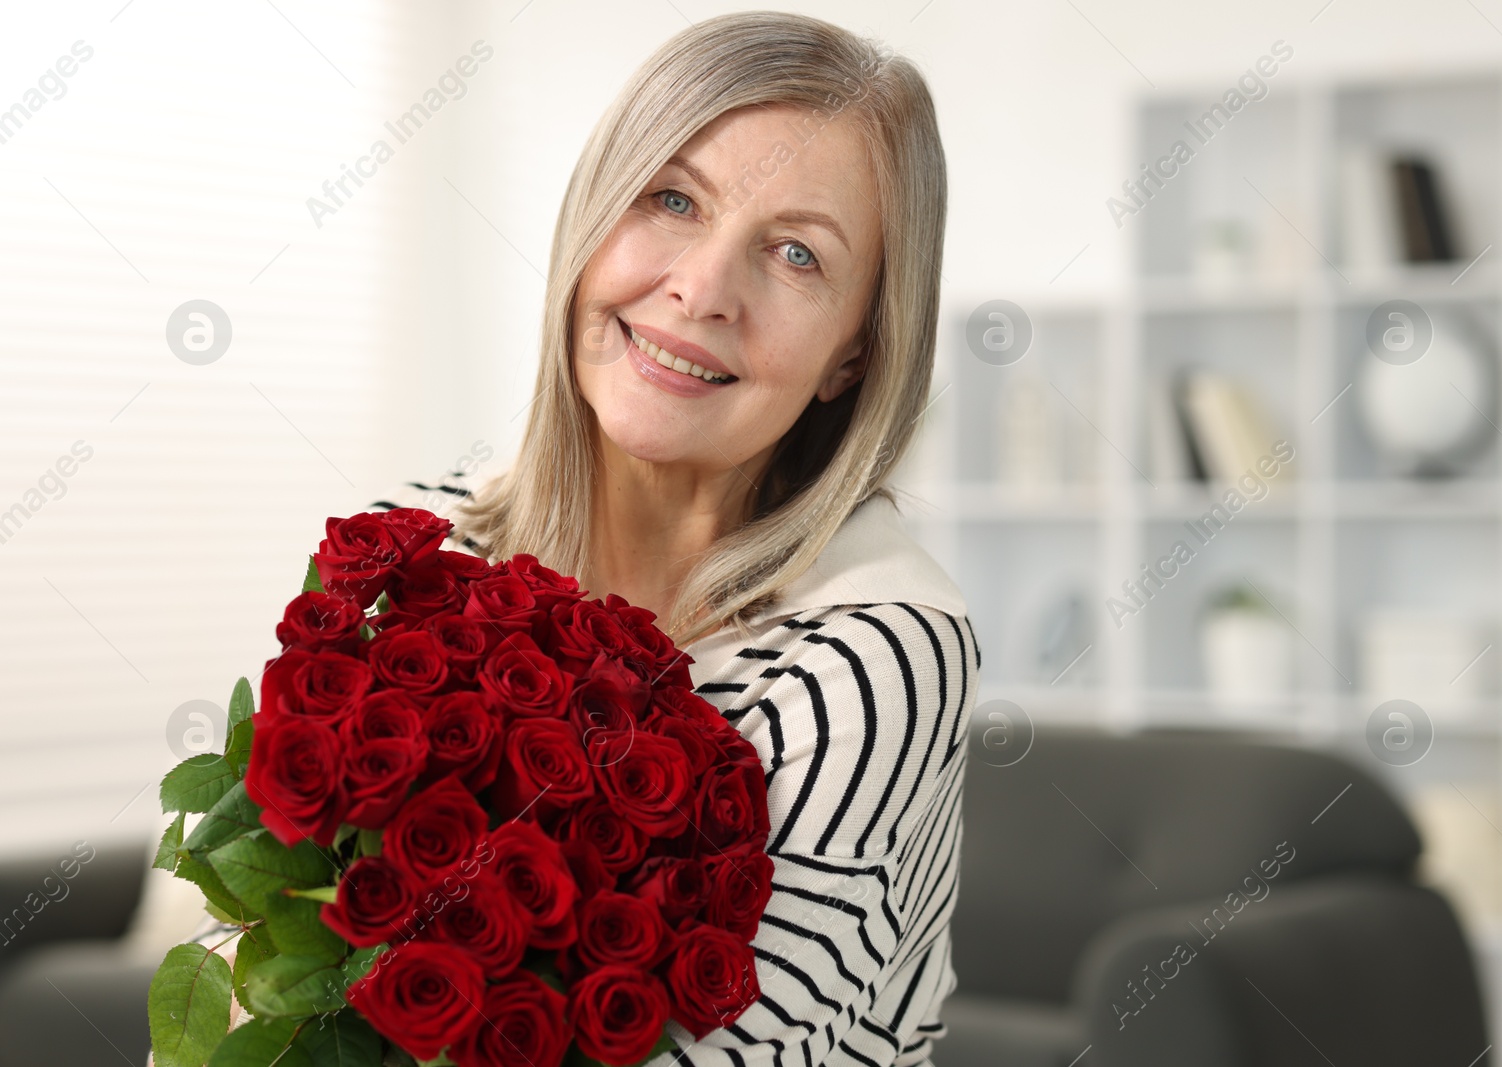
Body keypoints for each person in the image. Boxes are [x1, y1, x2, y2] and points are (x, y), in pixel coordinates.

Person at [159, 12, 977, 1067]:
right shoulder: (415, 547)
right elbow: (249, 964)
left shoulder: (879, 651)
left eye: (794, 253)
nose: (701, 289)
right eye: (672, 198)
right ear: (593, 214)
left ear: (855, 352)